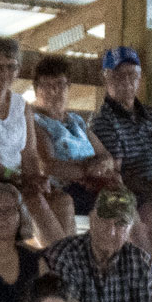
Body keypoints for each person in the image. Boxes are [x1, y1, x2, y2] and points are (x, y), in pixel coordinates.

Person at [90, 46, 152, 259]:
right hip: (138, 196)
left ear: (140, 78)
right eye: (118, 75)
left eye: (132, 74)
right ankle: (151, 275)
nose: (126, 80)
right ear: (107, 78)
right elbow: (118, 175)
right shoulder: (104, 121)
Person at [21, 52, 113, 240]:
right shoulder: (34, 120)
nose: (56, 91)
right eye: (49, 86)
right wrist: (88, 171)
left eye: (61, 85)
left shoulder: (76, 121)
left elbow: (106, 156)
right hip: (62, 188)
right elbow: (48, 164)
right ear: (37, 89)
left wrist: (99, 167)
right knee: (67, 203)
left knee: (121, 198)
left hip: (92, 186)